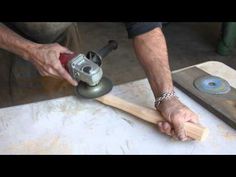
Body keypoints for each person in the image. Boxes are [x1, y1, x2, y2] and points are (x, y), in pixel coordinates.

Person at [0, 22, 199, 141]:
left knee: (67, 119)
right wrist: (29, 50)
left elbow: (146, 29)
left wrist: (167, 98)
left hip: (61, 39)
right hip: (8, 43)